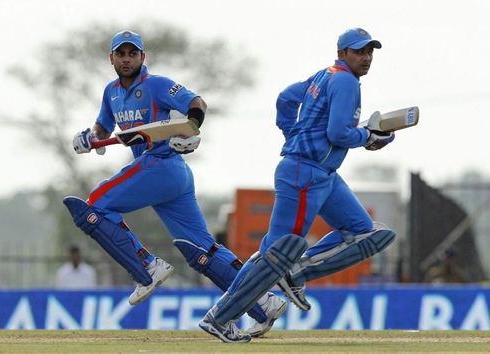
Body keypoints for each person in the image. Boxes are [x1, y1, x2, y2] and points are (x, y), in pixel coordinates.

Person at [62, 30, 286, 337]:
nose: (127, 59)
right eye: (121, 54)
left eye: (132, 54)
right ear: (111, 58)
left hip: (161, 163)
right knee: (199, 251)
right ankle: (262, 301)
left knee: (93, 206)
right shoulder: (110, 92)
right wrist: (91, 137)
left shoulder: (156, 85)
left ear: (143, 57)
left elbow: (196, 103)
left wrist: (190, 132)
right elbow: (104, 125)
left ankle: (145, 267)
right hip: (165, 175)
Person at [199, 27, 397, 343]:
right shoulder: (344, 80)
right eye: (359, 51)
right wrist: (368, 137)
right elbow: (338, 134)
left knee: (369, 233)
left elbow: (286, 99)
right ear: (342, 52)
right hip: (305, 172)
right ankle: (221, 318)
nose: (366, 57)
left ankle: (295, 273)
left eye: (370, 51)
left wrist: (292, 132)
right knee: (278, 251)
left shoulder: (324, 76)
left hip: (323, 174)